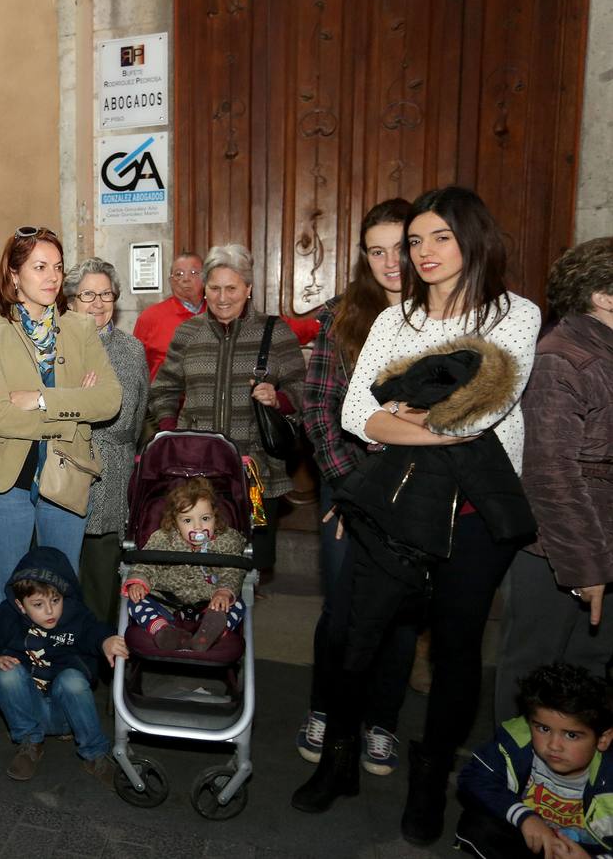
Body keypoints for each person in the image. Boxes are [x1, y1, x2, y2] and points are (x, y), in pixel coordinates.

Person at [291, 187, 542, 847]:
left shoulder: (516, 315)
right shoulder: (394, 319)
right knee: (354, 634)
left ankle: (430, 784)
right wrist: (435, 424)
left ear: (473, 241)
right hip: (395, 505)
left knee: (456, 648)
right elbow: (353, 414)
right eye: (416, 241)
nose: (423, 253)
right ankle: (339, 762)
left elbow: (484, 410)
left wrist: (399, 415)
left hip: (475, 514)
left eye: (439, 238)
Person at [297, 198, 418, 777]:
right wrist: (349, 491)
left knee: (400, 615)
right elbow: (319, 411)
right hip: (348, 486)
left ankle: (382, 720)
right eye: (377, 251)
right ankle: (326, 710)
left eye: (402, 247)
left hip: (420, 491)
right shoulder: (342, 317)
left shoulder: (448, 318)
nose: (391, 261)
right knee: (342, 612)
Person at [0, 227, 122, 621]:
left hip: (66, 476)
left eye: (57, 267)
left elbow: (108, 401)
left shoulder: (80, 328)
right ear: (14, 275)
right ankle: (10, 680)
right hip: (6, 482)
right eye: (39, 267)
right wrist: (72, 415)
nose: (53, 277)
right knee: (5, 595)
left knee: (60, 593)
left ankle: (53, 679)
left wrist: (41, 400)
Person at [496, 237, 613, 722]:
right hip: (559, 555)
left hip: (599, 547)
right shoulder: (562, 357)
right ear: (603, 296)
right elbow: (551, 476)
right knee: (534, 678)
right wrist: (586, 567)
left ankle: (567, 791)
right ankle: (512, 787)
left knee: (589, 675)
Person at [148, 244, 305, 571]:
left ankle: (241, 611)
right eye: (214, 288)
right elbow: (163, 388)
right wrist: (169, 430)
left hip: (258, 475)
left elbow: (304, 390)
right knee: (199, 556)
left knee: (253, 558)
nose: (221, 297)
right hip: (197, 472)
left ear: (248, 289)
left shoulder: (275, 333)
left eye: (231, 288)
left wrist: (279, 398)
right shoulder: (188, 333)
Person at [0, 546, 130, 784]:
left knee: (72, 680)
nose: (49, 611)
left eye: (55, 600)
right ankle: (30, 744)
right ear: (20, 605)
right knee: (6, 673)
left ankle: (95, 754)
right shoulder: (7, 615)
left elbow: (93, 630)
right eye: (37, 604)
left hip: (67, 713)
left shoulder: (73, 613)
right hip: (27, 709)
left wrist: (105, 640)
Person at [64, 257, 148, 622]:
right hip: (58, 474)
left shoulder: (130, 350)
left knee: (99, 589)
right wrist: (84, 405)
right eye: (88, 295)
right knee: (56, 584)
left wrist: (71, 405)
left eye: (106, 294)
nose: (98, 303)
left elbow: (125, 419)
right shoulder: (51, 346)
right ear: (69, 302)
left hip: (107, 479)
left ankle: (100, 668)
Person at [456, 664, 613, 859]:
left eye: (571, 735)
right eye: (544, 729)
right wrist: (524, 816)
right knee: (478, 825)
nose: (554, 745)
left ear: (603, 739)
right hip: (530, 834)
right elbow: (473, 778)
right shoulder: (517, 742)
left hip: (584, 852)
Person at [125, 477, 248, 652]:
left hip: (209, 605)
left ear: (215, 515)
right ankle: (162, 630)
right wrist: (139, 581)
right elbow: (146, 564)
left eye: (205, 518)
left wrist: (224, 592)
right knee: (135, 601)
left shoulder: (226, 541)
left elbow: (232, 571)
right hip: (167, 603)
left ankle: (209, 634)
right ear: (175, 522)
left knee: (237, 604)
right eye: (187, 520)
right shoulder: (164, 539)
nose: (198, 527)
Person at [133, 251, 204, 382]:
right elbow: (134, 369)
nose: (186, 279)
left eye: (193, 273)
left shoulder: (219, 314)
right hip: (163, 399)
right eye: (179, 274)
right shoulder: (150, 317)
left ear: (206, 278)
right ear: (171, 281)